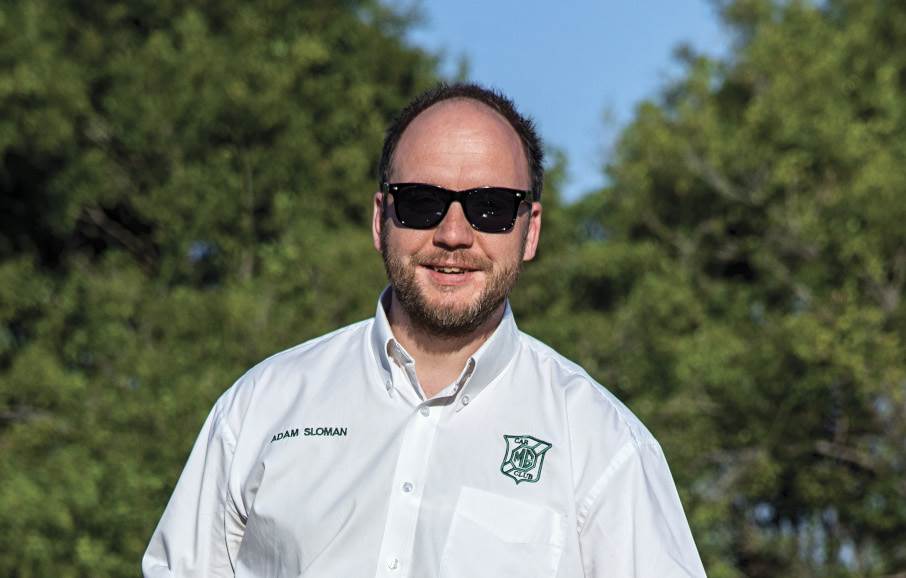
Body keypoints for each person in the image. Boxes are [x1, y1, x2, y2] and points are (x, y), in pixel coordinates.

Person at [143, 83, 707, 578]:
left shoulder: (604, 444)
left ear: (530, 230)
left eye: (491, 207)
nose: (454, 234)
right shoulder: (260, 406)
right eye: (421, 202)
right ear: (380, 219)